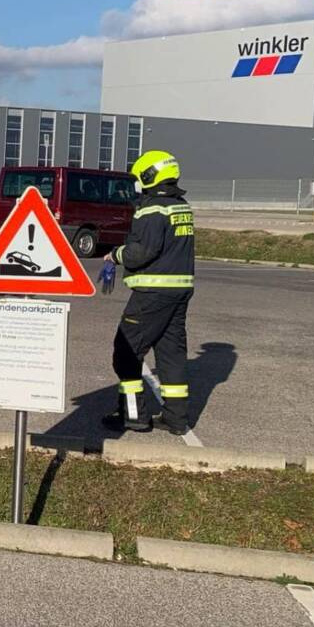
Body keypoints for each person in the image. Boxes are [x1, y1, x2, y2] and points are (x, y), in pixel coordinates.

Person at [101, 150, 195, 435]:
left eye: (139, 177)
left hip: (152, 293)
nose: (137, 184)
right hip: (179, 291)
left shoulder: (151, 209)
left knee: (126, 352)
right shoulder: (181, 207)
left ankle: (134, 416)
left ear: (149, 176)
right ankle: (176, 419)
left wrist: (115, 255)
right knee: (171, 354)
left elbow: (142, 251)